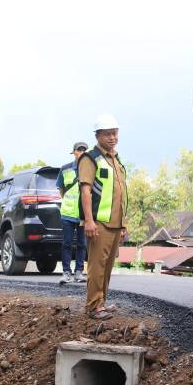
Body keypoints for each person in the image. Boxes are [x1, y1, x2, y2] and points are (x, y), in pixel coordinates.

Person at [78, 114, 128, 320]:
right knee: (97, 266)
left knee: (107, 266)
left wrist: (124, 224)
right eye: (107, 134)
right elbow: (86, 191)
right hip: (99, 221)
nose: (112, 137)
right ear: (97, 135)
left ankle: (102, 302)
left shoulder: (115, 159)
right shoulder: (90, 158)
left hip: (116, 223)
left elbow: (120, 192)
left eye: (115, 133)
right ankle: (93, 306)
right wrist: (89, 221)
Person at [56, 142, 88, 285]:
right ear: (74, 152)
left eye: (84, 150)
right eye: (79, 149)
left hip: (83, 214)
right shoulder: (65, 169)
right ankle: (66, 272)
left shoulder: (90, 169)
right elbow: (61, 190)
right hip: (68, 213)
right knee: (67, 243)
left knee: (82, 244)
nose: (82, 152)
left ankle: (79, 272)